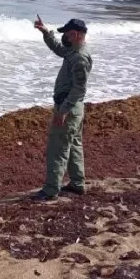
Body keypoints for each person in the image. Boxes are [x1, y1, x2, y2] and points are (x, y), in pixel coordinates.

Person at [32, 16, 93, 201]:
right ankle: (77, 183)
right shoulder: (73, 51)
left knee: (57, 149)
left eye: (66, 34)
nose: (64, 37)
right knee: (74, 145)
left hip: (69, 108)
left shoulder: (80, 57)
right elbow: (59, 49)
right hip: (73, 108)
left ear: (74, 34)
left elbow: (79, 89)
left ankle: (51, 190)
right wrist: (46, 33)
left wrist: (63, 110)